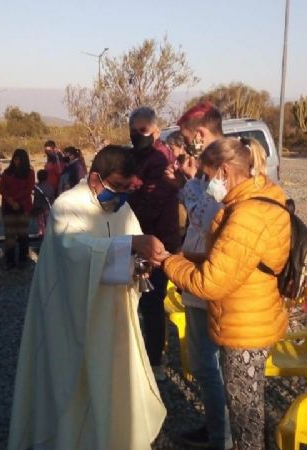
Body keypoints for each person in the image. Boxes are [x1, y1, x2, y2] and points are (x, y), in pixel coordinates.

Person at [8, 146, 169, 450]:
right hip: (72, 318)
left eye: (126, 188)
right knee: (77, 387)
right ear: (96, 178)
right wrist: (132, 243)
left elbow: (129, 250)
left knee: (114, 389)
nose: (121, 195)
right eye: (116, 186)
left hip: (114, 318)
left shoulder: (122, 209)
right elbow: (74, 253)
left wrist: (140, 264)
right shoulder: (67, 206)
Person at [163, 138, 290, 450]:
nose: (207, 184)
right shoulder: (264, 196)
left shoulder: (246, 215)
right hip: (254, 315)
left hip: (244, 328)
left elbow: (211, 283)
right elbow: (232, 261)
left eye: (208, 177)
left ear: (223, 171)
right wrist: (181, 258)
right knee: (249, 408)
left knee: (245, 415)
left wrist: (168, 262)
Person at [168, 103, 230, 449]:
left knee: (210, 365)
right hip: (198, 276)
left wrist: (188, 184)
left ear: (201, 135)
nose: (187, 146)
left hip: (211, 280)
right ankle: (214, 428)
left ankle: (223, 438)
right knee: (204, 364)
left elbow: (207, 218)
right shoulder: (210, 166)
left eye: (189, 139)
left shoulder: (223, 166)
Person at [126, 106, 180, 381]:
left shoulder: (160, 159)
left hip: (156, 241)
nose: (137, 135)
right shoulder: (136, 156)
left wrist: (123, 201)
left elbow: (149, 203)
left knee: (151, 301)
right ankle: (142, 352)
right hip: (139, 238)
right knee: (137, 299)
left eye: (143, 131)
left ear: (157, 131)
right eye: (134, 131)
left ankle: (155, 361)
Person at [0, 149, 35, 269]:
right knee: (9, 235)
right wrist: (10, 200)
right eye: (15, 159)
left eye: (19, 159)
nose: (16, 161)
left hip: (23, 206)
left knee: (22, 234)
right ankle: (10, 260)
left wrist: (15, 200)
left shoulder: (29, 173)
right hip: (8, 207)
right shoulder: (7, 172)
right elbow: (2, 188)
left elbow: (28, 189)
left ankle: (23, 259)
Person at [31, 169, 55, 237]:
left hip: (40, 209)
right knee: (48, 222)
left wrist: (34, 209)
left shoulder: (37, 188)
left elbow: (36, 200)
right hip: (48, 208)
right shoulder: (50, 186)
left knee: (41, 223)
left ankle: (42, 233)